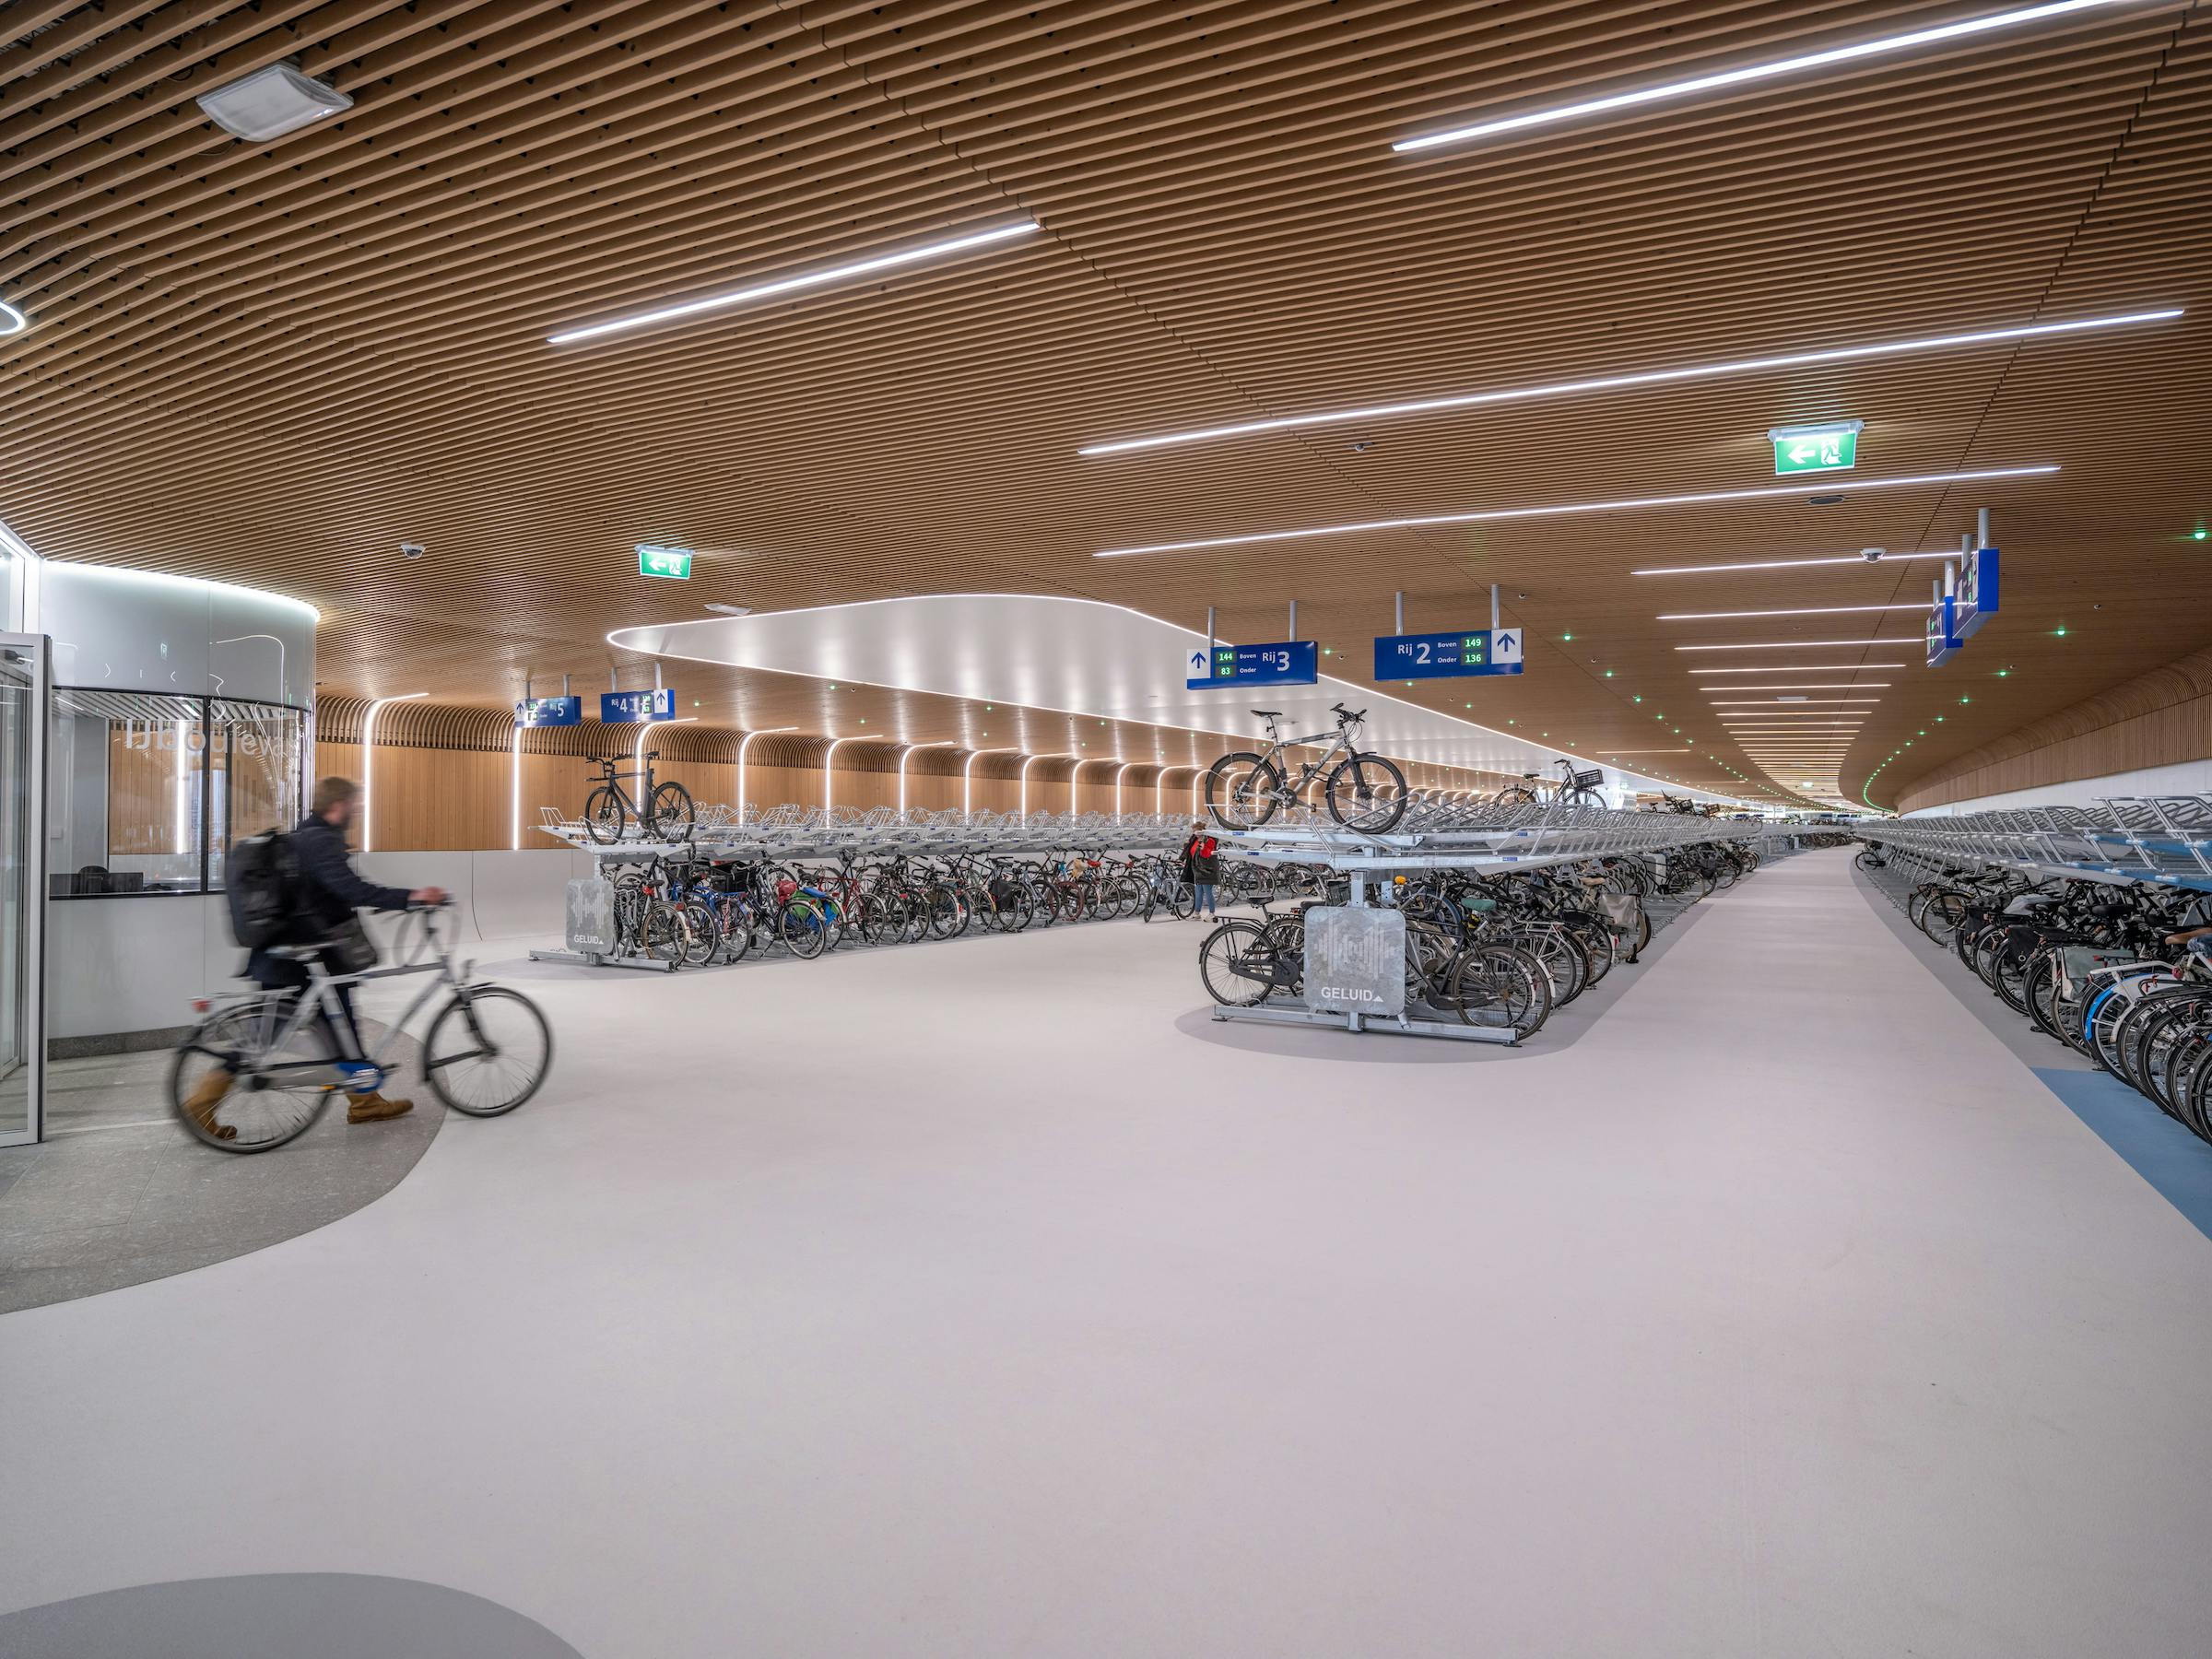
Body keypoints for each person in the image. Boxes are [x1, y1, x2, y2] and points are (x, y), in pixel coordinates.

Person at [182, 777, 446, 1140]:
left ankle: (365, 1102)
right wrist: (412, 896)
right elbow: (350, 889)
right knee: (267, 1036)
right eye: (356, 805)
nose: (358, 811)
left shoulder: (306, 836)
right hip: (299, 958)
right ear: (339, 806)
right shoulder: (320, 840)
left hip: (304, 954)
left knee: (341, 1027)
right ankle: (200, 1105)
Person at [1182, 818, 1219, 918]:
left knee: (1208, 893)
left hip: (1207, 870)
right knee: (1198, 893)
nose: (1195, 834)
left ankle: (1212, 914)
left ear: (1202, 830)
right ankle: (1197, 913)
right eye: (1194, 832)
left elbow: (1209, 855)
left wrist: (1204, 848)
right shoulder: (1194, 840)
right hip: (1198, 870)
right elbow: (1191, 853)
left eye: (1197, 831)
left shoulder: (1209, 839)